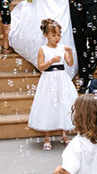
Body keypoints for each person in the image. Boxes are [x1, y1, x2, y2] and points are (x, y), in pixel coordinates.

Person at [28, 19, 78, 150]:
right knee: (48, 104)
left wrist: (70, 53)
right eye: (53, 35)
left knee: (64, 103)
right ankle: (47, 137)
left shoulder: (62, 48)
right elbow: (41, 67)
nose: (57, 38)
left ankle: (65, 134)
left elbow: (70, 63)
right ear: (46, 35)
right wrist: (51, 60)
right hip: (49, 79)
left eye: (59, 35)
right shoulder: (43, 49)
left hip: (62, 78)